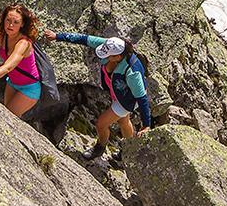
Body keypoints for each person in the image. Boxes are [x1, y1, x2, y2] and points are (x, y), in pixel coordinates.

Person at [44, 32, 149, 160]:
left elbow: (142, 98)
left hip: (128, 100)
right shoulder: (111, 45)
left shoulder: (133, 72)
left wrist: (146, 125)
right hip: (118, 93)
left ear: (118, 57)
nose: (104, 56)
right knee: (123, 120)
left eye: (108, 56)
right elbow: (84, 39)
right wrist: (57, 36)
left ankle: (99, 149)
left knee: (101, 124)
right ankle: (130, 151)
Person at [0, 5, 41, 117]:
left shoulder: (23, 44)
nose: (10, 25)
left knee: (9, 116)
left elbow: (8, 67)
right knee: (9, 116)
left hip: (29, 88)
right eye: (8, 20)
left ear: (22, 24)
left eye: (16, 22)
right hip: (12, 83)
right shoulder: (7, 36)